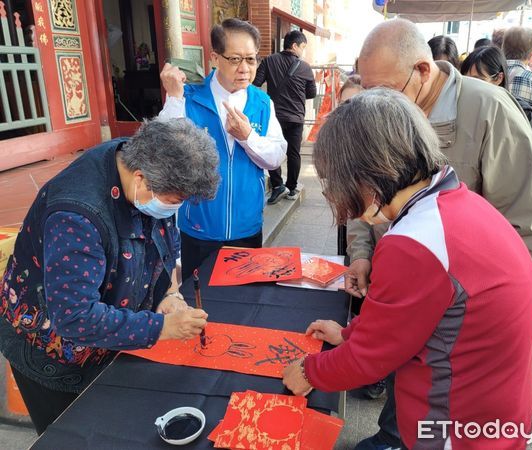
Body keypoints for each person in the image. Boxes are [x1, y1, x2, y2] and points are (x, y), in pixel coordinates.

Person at [282, 88, 532, 450]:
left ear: (367, 175)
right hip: (495, 409)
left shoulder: (415, 244)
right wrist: (349, 334)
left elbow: (369, 361)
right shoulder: (456, 201)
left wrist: (309, 371)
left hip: (457, 425)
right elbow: (400, 323)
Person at [344, 18, 532, 450]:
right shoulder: (387, 111)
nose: (374, 102)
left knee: (438, 402)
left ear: (422, 70)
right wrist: (362, 253)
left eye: (384, 90)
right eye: (367, 91)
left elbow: (528, 223)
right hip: (401, 287)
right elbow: (362, 194)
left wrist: (499, 318)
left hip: (461, 309)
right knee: (408, 390)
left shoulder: (489, 109)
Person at [0, 118, 219, 434]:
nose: (174, 210)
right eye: (174, 202)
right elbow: (74, 317)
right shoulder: (76, 216)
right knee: (74, 434)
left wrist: (168, 293)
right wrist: (160, 327)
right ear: (141, 179)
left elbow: (162, 234)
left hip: (112, 333)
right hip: (52, 349)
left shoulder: (134, 159)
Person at [158, 19, 286, 281]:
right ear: (215, 58)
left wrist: (247, 136)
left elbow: (275, 157)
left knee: (243, 304)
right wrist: (172, 97)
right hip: (198, 227)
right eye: (235, 59)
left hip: (247, 227)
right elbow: (162, 151)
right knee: (199, 302)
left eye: (251, 60)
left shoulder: (262, 102)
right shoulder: (189, 98)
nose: (245, 69)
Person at [253, 30, 317, 204]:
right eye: (303, 47)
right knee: (294, 153)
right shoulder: (304, 67)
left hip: (274, 117)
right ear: (295, 45)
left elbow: (255, 83)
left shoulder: (269, 61)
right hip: (296, 117)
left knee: (273, 149)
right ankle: (291, 187)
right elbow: (312, 93)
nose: (303, 51)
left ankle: (277, 185)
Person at [460, 45, 532, 135]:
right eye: (465, 80)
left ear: (498, 78)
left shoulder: (521, 113)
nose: (470, 86)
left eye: (477, 80)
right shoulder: (461, 106)